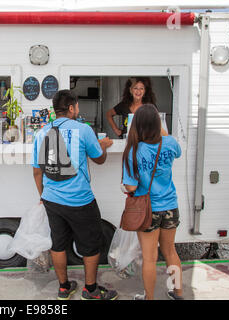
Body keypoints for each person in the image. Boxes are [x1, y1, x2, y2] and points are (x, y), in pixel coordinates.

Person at [31, 89, 118, 301]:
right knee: (90, 245)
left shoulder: (41, 132)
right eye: (77, 106)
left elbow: (36, 171)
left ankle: (64, 287)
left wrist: (43, 195)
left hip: (52, 199)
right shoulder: (83, 129)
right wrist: (103, 146)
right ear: (71, 108)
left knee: (58, 243)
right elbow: (99, 159)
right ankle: (90, 290)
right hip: (80, 199)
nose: (78, 109)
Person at [121, 104, 183, 300]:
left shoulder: (133, 151)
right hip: (171, 206)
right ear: (158, 124)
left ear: (137, 125)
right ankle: (178, 293)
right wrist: (160, 127)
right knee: (171, 252)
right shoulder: (170, 143)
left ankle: (149, 298)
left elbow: (130, 187)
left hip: (148, 211)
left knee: (150, 258)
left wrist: (124, 188)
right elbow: (178, 151)